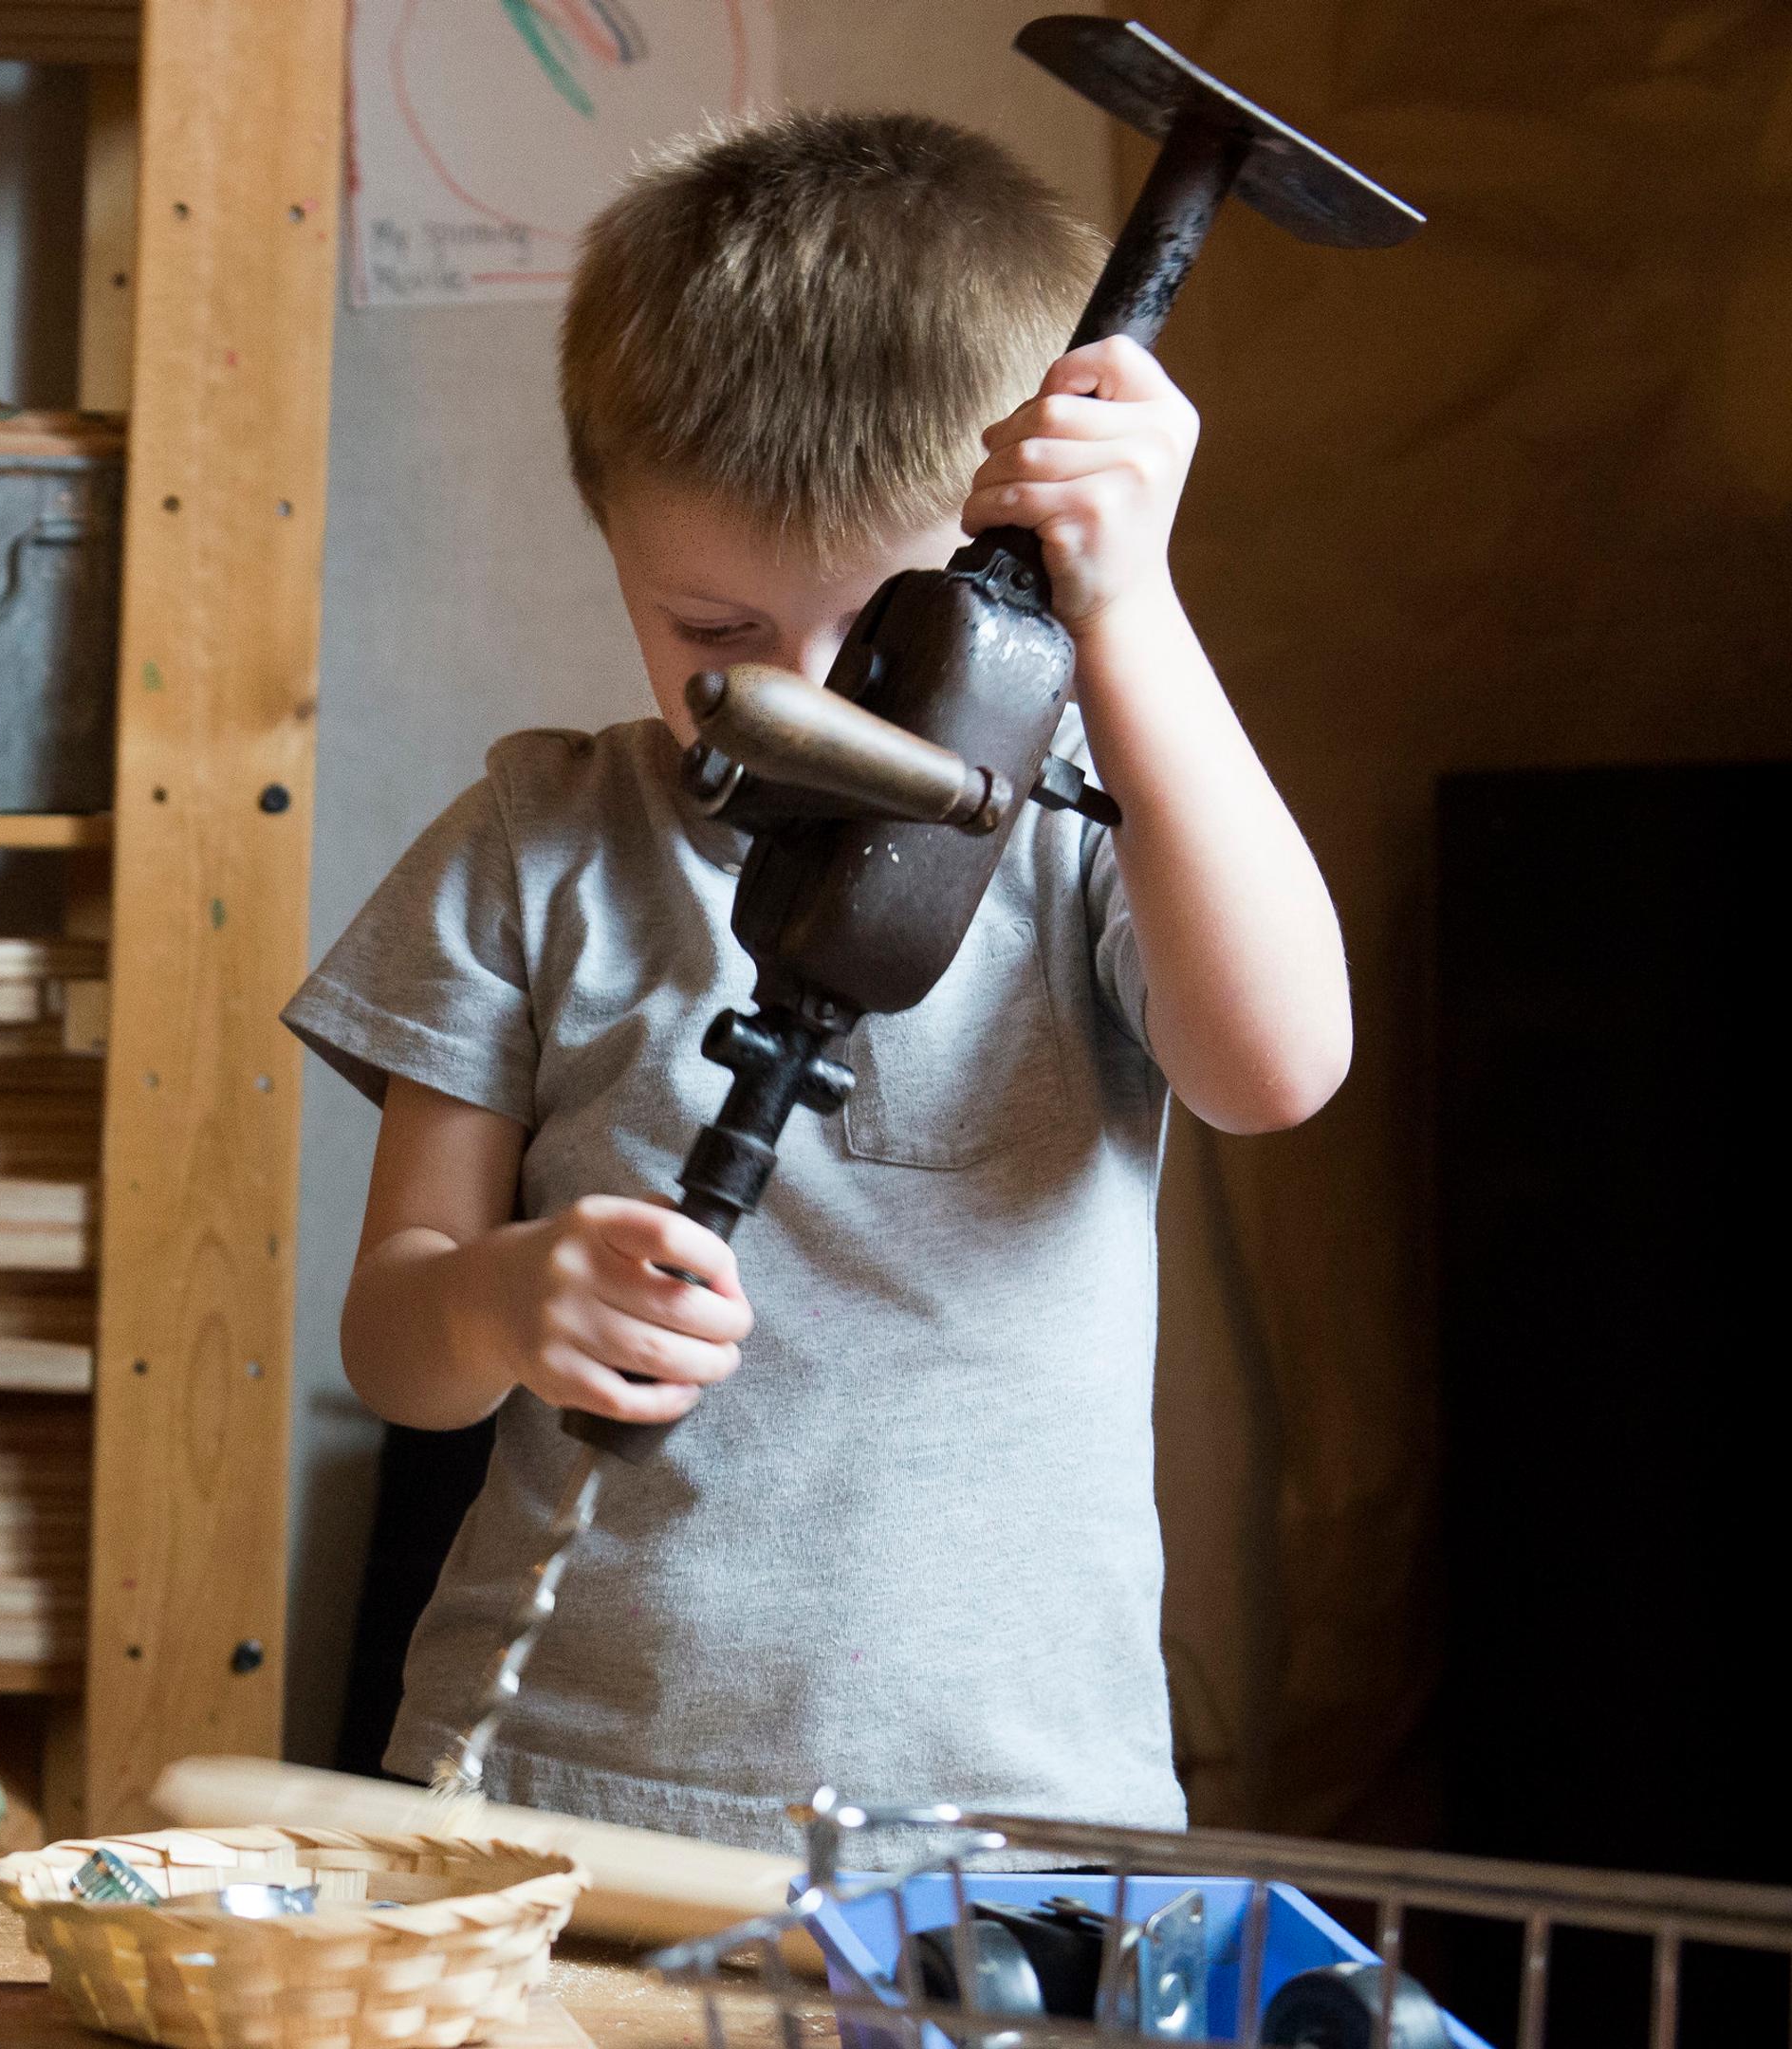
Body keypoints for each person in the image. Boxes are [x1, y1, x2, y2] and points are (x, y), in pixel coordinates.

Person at [285, 110, 1351, 1848]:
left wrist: (1132, 617)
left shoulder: (1095, 821)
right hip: (556, 1792)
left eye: (880, 636)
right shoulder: (538, 836)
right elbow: (401, 1339)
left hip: (1013, 1821)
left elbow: (1277, 1064)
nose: (798, 695)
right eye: (714, 635)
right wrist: (499, 1299)